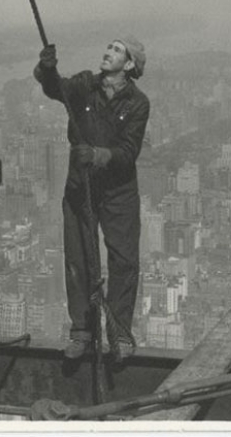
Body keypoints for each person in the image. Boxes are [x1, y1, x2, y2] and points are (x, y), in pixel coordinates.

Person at [34, 37, 150, 362]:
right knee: (78, 258)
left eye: (116, 50)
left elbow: (128, 153)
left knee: (124, 261)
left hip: (118, 190)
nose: (107, 52)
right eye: (108, 47)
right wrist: (47, 68)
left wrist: (97, 155)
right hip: (80, 186)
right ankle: (82, 332)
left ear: (128, 65)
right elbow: (56, 89)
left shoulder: (138, 103)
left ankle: (120, 335)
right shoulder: (86, 84)